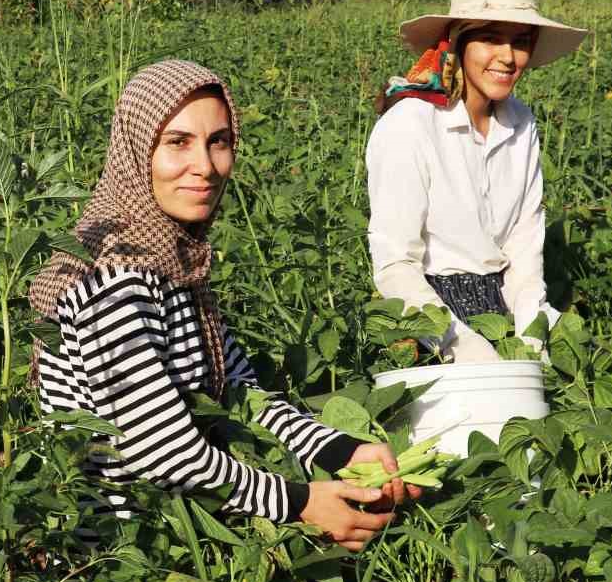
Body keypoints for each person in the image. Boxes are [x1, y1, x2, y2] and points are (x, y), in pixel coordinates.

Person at [29, 60, 420, 552]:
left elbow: (243, 395)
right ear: (134, 150)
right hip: (121, 552)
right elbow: (161, 449)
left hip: (188, 522)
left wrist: (343, 449)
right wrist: (300, 502)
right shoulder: (114, 279)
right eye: (177, 143)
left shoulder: (172, 259)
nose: (206, 166)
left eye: (218, 141)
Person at [367, 0, 588, 363]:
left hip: (501, 304)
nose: (507, 57)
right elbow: (396, 266)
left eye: (521, 42)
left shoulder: (521, 123)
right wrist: (463, 347)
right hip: (428, 312)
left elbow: (524, 246)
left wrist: (531, 334)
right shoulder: (411, 124)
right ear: (459, 43)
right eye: (490, 38)